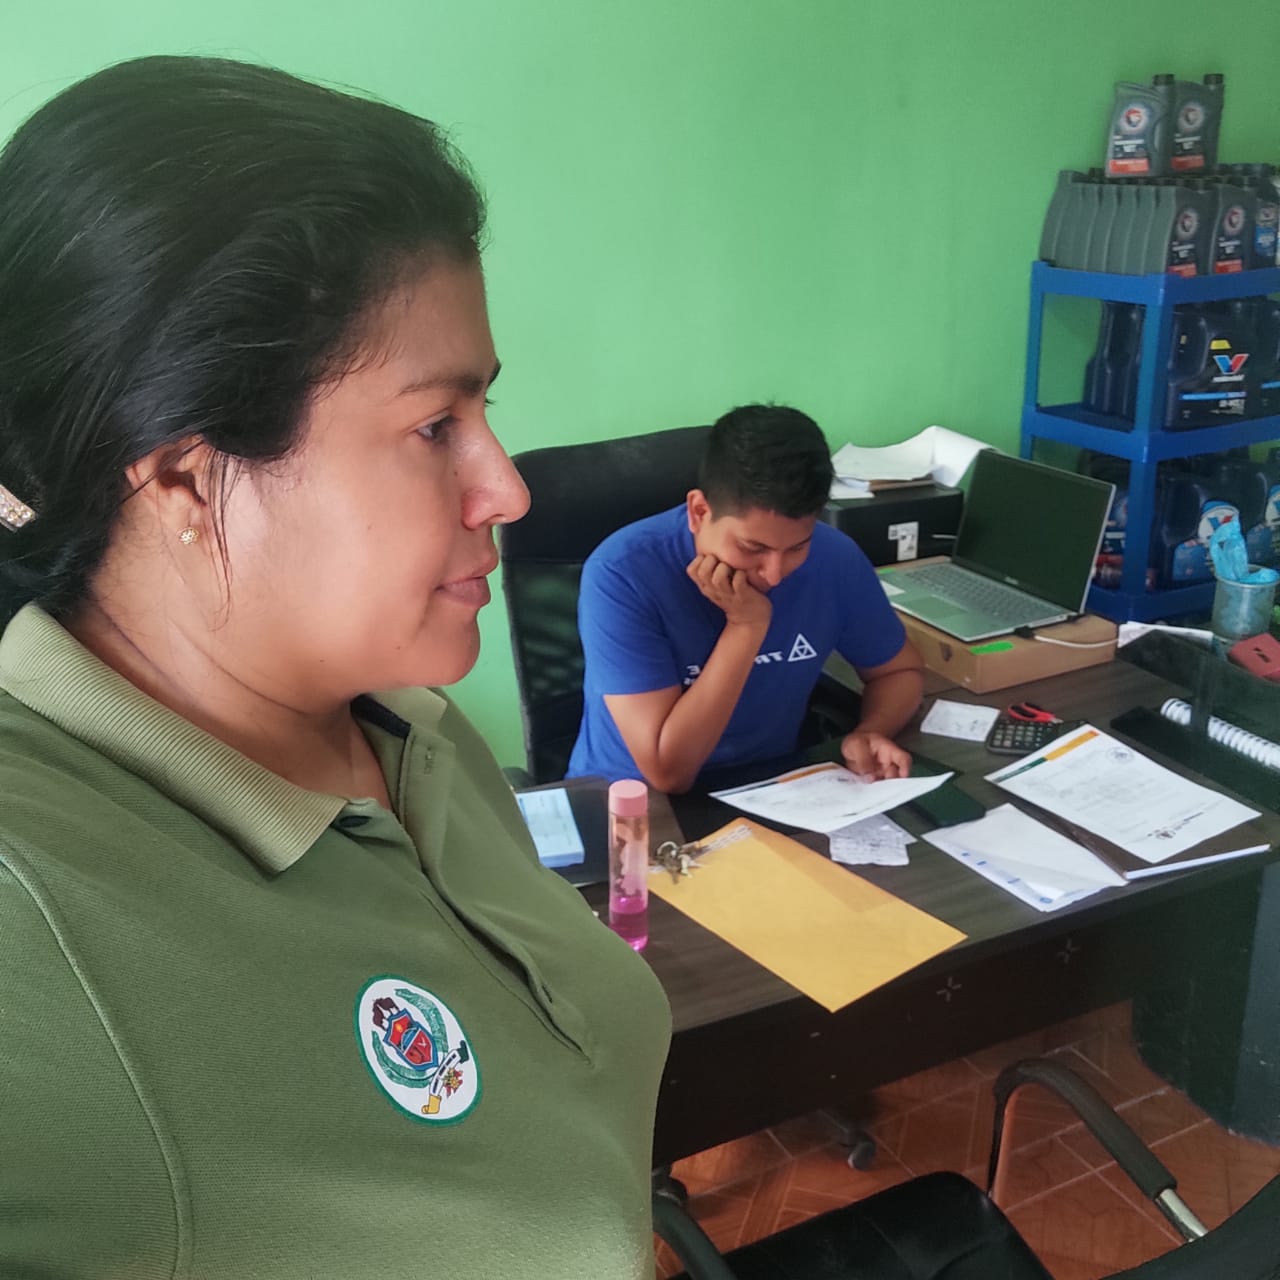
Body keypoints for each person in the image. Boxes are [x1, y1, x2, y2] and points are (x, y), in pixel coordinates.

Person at [0, 57, 670, 1279]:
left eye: (484, 413)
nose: (506, 487)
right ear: (184, 476)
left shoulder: (413, 723)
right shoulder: (33, 905)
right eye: (435, 425)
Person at [567, 405, 924, 792]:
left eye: (797, 547)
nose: (774, 573)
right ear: (699, 512)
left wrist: (872, 730)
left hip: (771, 787)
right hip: (630, 800)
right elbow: (668, 773)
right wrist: (746, 627)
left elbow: (898, 672)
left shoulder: (834, 558)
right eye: (753, 548)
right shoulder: (622, 572)